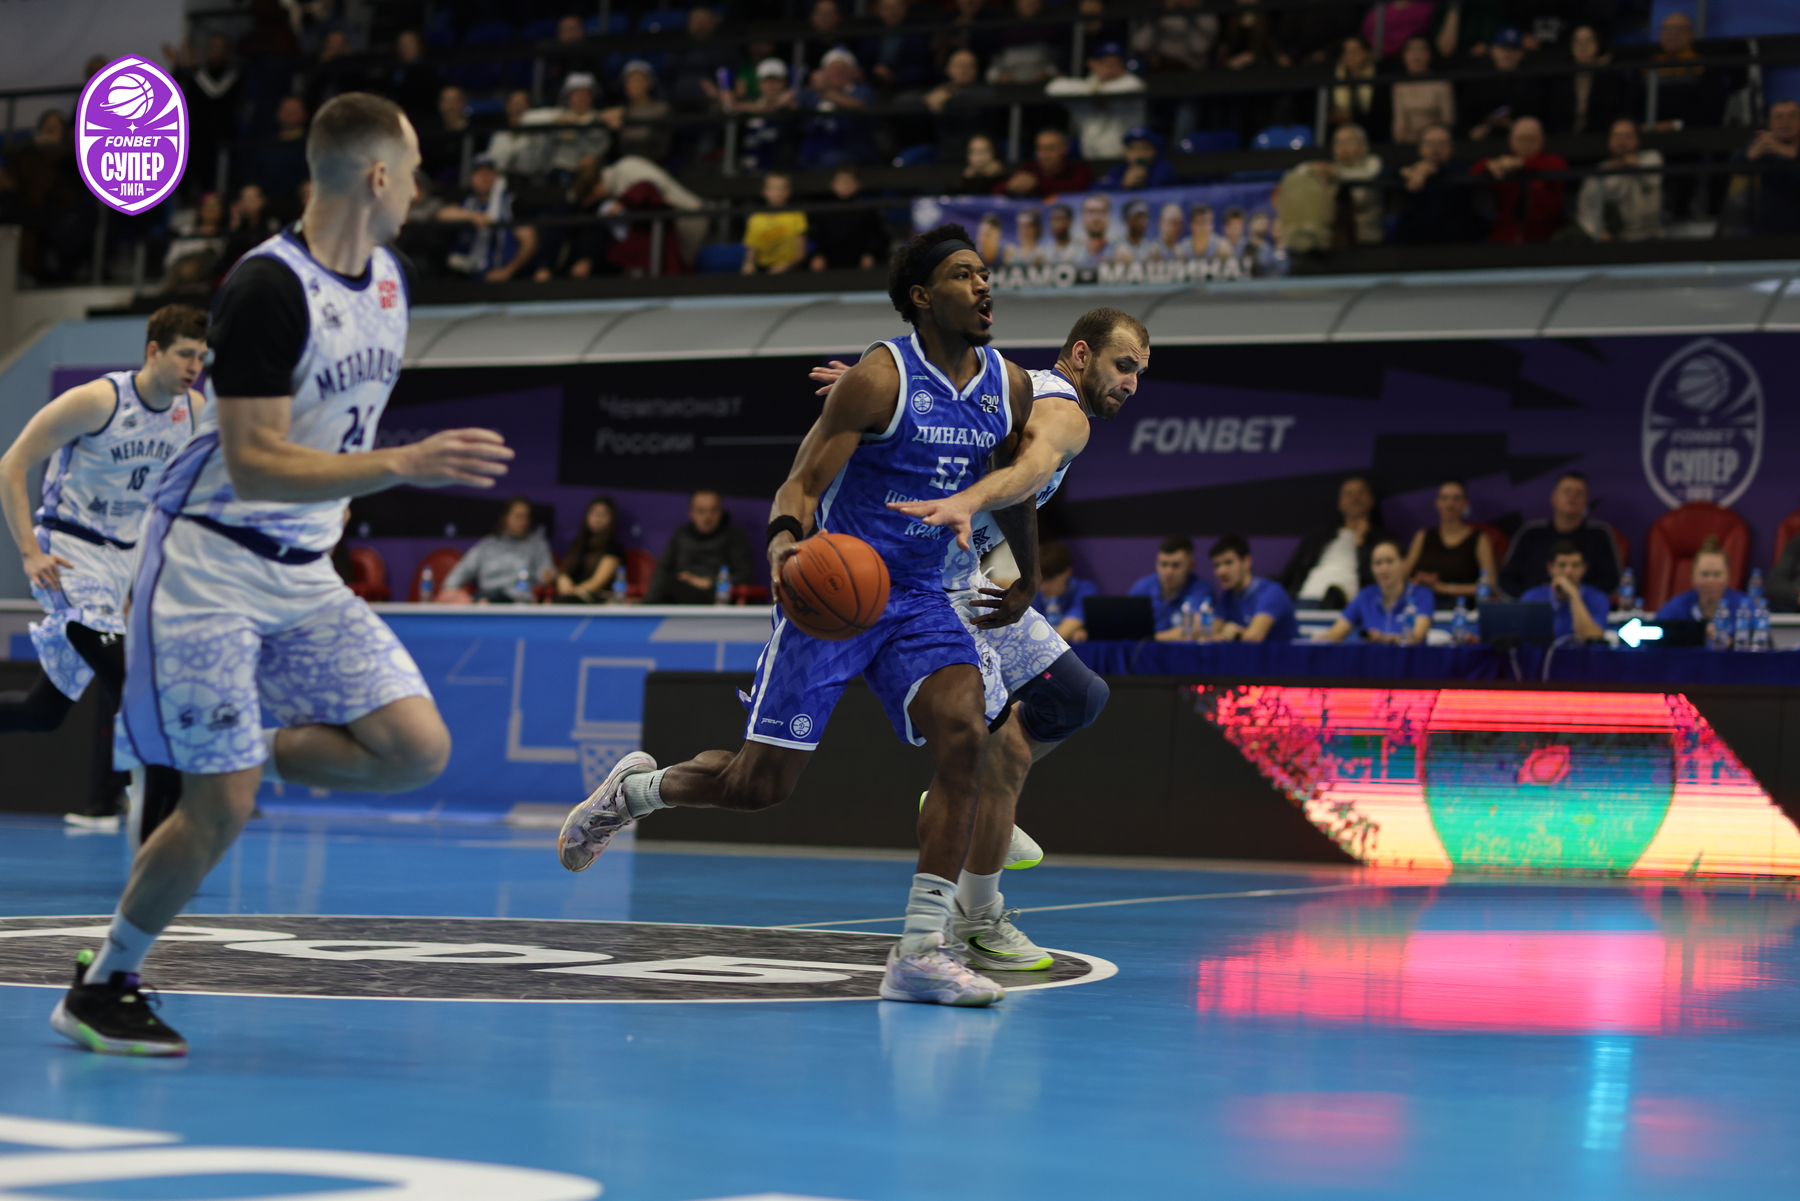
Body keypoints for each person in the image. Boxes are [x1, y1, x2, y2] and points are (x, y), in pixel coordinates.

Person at [58, 94, 516, 1056]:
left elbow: (325, 432)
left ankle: (238, 744)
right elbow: (258, 461)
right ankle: (104, 983)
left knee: (415, 749)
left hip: (304, 572)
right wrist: (404, 462)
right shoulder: (265, 289)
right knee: (220, 807)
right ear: (378, 176)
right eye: (415, 168)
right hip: (210, 567)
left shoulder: (391, 278)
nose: (421, 188)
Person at [557, 226, 1035, 1008]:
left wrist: (1022, 576)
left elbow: (1014, 486)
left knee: (966, 739)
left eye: (985, 272)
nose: (984, 286)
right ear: (922, 296)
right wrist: (785, 544)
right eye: (963, 274)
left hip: (921, 596)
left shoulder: (1007, 386)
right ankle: (635, 793)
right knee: (758, 785)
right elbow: (802, 483)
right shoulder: (879, 379)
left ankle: (919, 951)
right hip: (840, 594)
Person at [818, 305, 1147, 972]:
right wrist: (992, 524)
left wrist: (886, 398)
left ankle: (978, 798)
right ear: (1080, 355)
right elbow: (1021, 477)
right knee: (1001, 754)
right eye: (1123, 366)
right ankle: (975, 916)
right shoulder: (1068, 414)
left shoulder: (1017, 389)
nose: (1132, 383)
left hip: (979, 565)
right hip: (931, 582)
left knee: (1076, 697)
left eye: (1140, 372)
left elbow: (961, 417)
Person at [0, 305, 206, 831]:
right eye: (185, 354)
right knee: (135, 686)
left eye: (202, 358)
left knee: (42, 714)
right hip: (69, 555)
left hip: (122, 562)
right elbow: (12, 464)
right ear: (153, 351)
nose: (194, 367)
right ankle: (163, 816)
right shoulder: (98, 401)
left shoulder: (193, 410)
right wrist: (29, 551)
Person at [1498, 472, 1622, 598]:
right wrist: (1533, 598)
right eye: (1567, 491)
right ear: (1554, 497)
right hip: (1533, 606)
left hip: (1583, 606)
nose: (1572, 497)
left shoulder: (1599, 534)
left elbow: (1611, 580)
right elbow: (1506, 580)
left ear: (1586, 500)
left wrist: (1574, 595)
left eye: (1579, 493)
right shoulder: (1530, 532)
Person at [1282, 475, 1391, 607]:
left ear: (1372, 499)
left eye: (1361, 491)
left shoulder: (1383, 539)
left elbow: (1380, 579)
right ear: (1340, 503)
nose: (1355, 497)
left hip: (1351, 605)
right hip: (1308, 598)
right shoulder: (1319, 534)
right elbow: (1292, 571)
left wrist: (1361, 543)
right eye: (1349, 493)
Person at [644, 489, 757, 604]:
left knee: (668, 584)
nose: (707, 517)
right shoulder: (681, 535)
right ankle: (645, 609)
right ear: (691, 514)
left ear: (721, 512)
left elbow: (745, 576)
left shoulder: (734, 536)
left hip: (715, 596)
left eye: (713, 510)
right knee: (665, 582)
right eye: (701, 511)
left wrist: (710, 582)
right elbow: (662, 569)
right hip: (679, 593)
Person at [438, 154, 538, 282]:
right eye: (479, 173)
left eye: (489, 173)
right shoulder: (468, 201)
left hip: (501, 277)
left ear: (498, 177)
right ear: (472, 178)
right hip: (467, 276)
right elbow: (442, 214)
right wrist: (474, 216)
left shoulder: (512, 203)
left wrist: (508, 271)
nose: (484, 177)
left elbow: (530, 242)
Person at [436, 498, 554, 604]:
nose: (523, 522)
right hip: (488, 599)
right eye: (518, 516)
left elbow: (546, 576)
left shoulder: (537, 545)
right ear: (504, 518)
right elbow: (458, 574)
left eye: (526, 517)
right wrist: (450, 591)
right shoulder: (487, 545)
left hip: (520, 602)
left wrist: (549, 577)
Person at [1045, 43, 1148, 162]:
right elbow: (1052, 88)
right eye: (1105, 63)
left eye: (1115, 64)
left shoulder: (1131, 83)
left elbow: (1134, 87)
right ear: (1093, 64)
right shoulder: (1087, 86)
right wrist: (1094, 92)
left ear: (1123, 66)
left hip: (1124, 159)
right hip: (1090, 160)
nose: (1110, 69)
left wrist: (1096, 93)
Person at [1403, 478, 1497, 607]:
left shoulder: (1479, 539)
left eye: (1456, 499)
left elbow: (1490, 584)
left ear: (1465, 503)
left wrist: (1444, 588)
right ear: (1437, 502)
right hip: (1422, 608)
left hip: (1463, 611)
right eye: (1444, 498)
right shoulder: (1423, 536)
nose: (1450, 504)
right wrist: (1419, 581)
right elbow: (1402, 576)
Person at [1471, 116, 1565, 243]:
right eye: (1521, 138)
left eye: (1531, 139)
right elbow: (1474, 171)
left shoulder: (1552, 162)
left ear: (1542, 140)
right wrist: (1489, 165)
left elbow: (1558, 167)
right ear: (1511, 140)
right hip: (1504, 236)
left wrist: (1521, 163)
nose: (1526, 144)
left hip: (1544, 238)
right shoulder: (1503, 163)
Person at [1322, 536, 1434, 642]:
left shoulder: (1422, 595)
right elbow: (1335, 634)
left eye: (1389, 561)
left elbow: (1417, 637)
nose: (1383, 568)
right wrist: (1317, 640)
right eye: (1378, 563)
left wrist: (1384, 639)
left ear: (1403, 563)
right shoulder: (1366, 595)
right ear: (1372, 568)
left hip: (1408, 656)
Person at [1390, 123, 1483, 243]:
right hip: (1415, 241)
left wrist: (1433, 169)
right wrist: (1404, 171)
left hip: (1457, 240)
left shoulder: (1464, 170)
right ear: (1420, 147)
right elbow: (1387, 172)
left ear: (1452, 147)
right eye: (1430, 143)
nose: (1436, 148)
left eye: (1442, 144)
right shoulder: (1410, 171)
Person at [1576, 119, 1663, 242]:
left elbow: (1652, 181)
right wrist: (1599, 232)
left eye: (1628, 136)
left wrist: (1634, 167)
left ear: (1638, 139)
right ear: (1608, 141)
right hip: (1617, 239)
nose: (1622, 142)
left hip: (1651, 237)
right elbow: (1587, 208)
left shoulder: (1651, 159)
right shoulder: (1599, 172)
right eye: (1616, 137)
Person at [1728, 100, 1800, 237]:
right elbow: (1734, 166)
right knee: (1737, 238)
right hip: (1768, 231)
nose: (1785, 122)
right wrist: (1751, 153)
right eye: (1779, 117)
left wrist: (1786, 150)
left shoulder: (1773, 146)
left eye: (1792, 116)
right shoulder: (1765, 148)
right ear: (1770, 124)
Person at [1207, 535, 1297, 642]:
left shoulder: (1272, 592)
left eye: (1228, 562)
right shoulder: (1227, 596)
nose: (1221, 571)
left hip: (1287, 653)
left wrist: (1235, 634)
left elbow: (1254, 637)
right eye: (1217, 565)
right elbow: (1211, 635)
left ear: (1246, 562)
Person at [796, 48, 876, 168]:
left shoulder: (861, 90)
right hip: (813, 152)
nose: (838, 73)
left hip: (850, 150)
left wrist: (826, 92)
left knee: (832, 160)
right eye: (833, 69)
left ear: (853, 72)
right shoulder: (810, 94)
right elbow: (793, 103)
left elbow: (860, 106)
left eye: (843, 69)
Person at [1460, 28, 1541, 143]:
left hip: (1522, 139)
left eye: (1514, 49)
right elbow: (1465, 118)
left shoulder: (1532, 80)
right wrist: (1472, 130)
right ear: (1493, 50)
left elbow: (1539, 117)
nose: (1508, 53)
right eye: (1503, 48)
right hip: (1483, 141)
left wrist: (1512, 125)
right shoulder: (1478, 78)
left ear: (1522, 53)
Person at [1547, 25, 1628, 137]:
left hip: (1600, 137)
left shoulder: (1609, 76)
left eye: (1588, 40)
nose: (1583, 46)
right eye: (1578, 41)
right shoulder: (1560, 76)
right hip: (1564, 137)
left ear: (1598, 44)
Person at [1519, 541, 1608, 642]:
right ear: (1550, 568)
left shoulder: (1598, 598)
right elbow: (1522, 639)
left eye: (1575, 565)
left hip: (1580, 653)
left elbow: (1591, 637)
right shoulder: (1532, 597)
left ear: (1584, 568)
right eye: (1562, 565)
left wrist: (1574, 596)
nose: (1568, 571)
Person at [1653, 538, 1747, 633]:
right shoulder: (1676, 607)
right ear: (1693, 576)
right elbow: (1656, 631)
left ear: (1728, 575)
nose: (1711, 580)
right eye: (1705, 574)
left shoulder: (1744, 607)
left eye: (1717, 574)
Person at [1129, 535, 1212, 639]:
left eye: (1176, 565)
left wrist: (1151, 639)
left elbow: (1196, 628)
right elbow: (1127, 625)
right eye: (1163, 564)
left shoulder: (1201, 589)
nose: (1168, 572)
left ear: (1191, 566)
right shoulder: (1142, 588)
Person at [927, 50, 1001, 165]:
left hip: (981, 158)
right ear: (948, 69)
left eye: (968, 65)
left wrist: (951, 93)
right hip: (949, 157)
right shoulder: (938, 92)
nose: (964, 69)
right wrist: (927, 98)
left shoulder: (985, 93)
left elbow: (987, 96)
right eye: (958, 65)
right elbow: (908, 98)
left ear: (976, 69)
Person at [808, 166, 890, 270]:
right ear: (833, 184)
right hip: (829, 260)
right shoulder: (823, 211)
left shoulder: (867, 210)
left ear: (858, 185)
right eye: (841, 182)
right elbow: (815, 236)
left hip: (860, 260)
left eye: (849, 182)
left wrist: (870, 254)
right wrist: (817, 255)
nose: (845, 186)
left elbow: (877, 236)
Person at [556, 495, 628, 604]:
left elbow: (597, 583)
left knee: (564, 601)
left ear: (611, 518)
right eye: (594, 513)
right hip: (571, 596)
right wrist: (561, 579)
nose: (597, 518)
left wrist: (573, 592)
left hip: (596, 599)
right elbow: (565, 572)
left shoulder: (614, 546)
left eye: (603, 515)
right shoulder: (577, 544)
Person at [600, 61, 674, 163]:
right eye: (629, 81)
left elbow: (661, 146)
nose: (634, 85)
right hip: (625, 162)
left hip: (653, 163)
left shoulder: (661, 109)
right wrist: (605, 118)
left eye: (638, 80)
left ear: (649, 82)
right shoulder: (621, 111)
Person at [1390, 35, 1454, 145]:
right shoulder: (1399, 86)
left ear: (1429, 54)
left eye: (1421, 49)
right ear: (1404, 56)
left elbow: (1448, 120)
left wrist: (1429, 139)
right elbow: (1399, 123)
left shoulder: (1441, 84)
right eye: (1411, 49)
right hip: (1407, 142)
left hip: (1435, 141)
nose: (1416, 54)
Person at [995, 128, 1093, 198]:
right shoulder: (1029, 168)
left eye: (1050, 148)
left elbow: (1076, 187)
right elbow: (997, 190)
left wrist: (1037, 185)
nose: (1044, 154)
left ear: (1065, 149)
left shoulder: (1078, 169)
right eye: (1040, 148)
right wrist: (1010, 186)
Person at [742, 171, 808, 273]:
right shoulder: (756, 219)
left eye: (781, 188)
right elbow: (752, 250)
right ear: (764, 191)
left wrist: (785, 265)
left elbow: (800, 254)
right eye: (773, 188)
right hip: (764, 270)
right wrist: (748, 264)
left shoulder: (796, 215)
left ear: (788, 192)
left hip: (791, 269)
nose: (777, 193)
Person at [1033, 539, 1099, 640]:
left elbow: (1060, 635)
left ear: (1067, 572)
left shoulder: (1085, 590)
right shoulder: (1033, 594)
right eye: (1040, 580)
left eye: (1049, 579)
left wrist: (1069, 632)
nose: (1043, 586)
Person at [1131, 0, 1220, 74]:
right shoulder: (1158, 15)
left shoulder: (1205, 16)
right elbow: (1140, 46)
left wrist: (1188, 15)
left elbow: (1198, 48)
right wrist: (1157, 16)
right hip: (1155, 69)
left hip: (1190, 71)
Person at [1095, 127, 1177, 190]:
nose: (1138, 153)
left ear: (1155, 152)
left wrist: (1141, 179)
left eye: (1144, 148)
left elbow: (1158, 186)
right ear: (1126, 153)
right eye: (1132, 148)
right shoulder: (1121, 168)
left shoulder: (1162, 167)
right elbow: (1097, 187)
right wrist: (1122, 183)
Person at [1076, 193, 1116, 266]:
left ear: (1108, 217)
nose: (1096, 218)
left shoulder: (1117, 252)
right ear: (1083, 217)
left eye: (1101, 211)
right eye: (1091, 211)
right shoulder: (1073, 254)